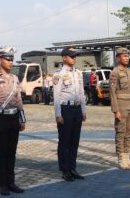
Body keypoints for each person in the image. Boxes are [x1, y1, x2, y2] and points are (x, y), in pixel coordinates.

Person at [0, 47, 26, 196]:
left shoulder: (15, 79)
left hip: (14, 118)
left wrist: (22, 119)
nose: (10, 62)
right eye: (7, 59)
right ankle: (2, 184)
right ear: (0, 60)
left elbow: (19, 100)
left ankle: (11, 182)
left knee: (12, 151)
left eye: (11, 59)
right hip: (0, 119)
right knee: (1, 152)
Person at [53, 47, 86, 182]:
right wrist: (58, 114)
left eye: (75, 56)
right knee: (64, 141)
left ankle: (73, 168)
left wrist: (83, 110)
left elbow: (82, 93)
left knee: (74, 141)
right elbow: (56, 95)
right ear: (64, 58)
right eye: (72, 56)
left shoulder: (78, 73)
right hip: (65, 109)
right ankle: (65, 170)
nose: (74, 58)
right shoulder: (58, 75)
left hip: (77, 109)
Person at [109, 47, 130, 170]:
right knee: (121, 132)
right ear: (118, 58)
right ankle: (121, 158)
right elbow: (112, 92)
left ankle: (127, 157)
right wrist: (116, 110)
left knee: (129, 132)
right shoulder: (115, 72)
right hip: (121, 106)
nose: (127, 58)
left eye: (128, 56)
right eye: (124, 56)